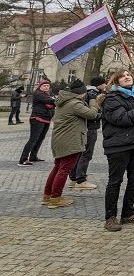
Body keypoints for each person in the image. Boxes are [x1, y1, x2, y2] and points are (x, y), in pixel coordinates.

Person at [101, 69, 134, 231]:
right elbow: (122, 119)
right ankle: (110, 217)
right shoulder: (111, 99)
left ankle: (127, 213)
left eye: (129, 75)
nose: (127, 77)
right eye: (122, 76)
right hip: (118, 146)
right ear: (116, 81)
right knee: (115, 181)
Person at [42, 79, 98, 208]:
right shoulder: (74, 104)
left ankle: (47, 196)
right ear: (81, 93)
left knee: (57, 168)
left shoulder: (64, 101)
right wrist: (93, 101)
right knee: (64, 170)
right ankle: (56, 198)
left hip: (60, 139)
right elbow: (92, 114)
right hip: (70, 141)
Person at [68, 76, 106, 190]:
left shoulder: (87, 92)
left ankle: (74, 178)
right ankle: (81, 179)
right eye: (104, 84)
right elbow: (91, 112)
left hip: (83, 127)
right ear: (99, 84)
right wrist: (101, 115)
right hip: (90, 127)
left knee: (80, 153)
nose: (105, 86)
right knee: (86, 154)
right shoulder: (93, 94)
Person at [18, 79, 55, 166]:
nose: (46, 87)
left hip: (46, 118)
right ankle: (23, 159)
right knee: (33, 139)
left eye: (48, 86)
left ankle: (33, 156)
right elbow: (51, 101)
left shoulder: (49, 94)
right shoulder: (38, 94)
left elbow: (53, 102)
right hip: (37, 118)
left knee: (40, 138)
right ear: (40, 86)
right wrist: (57, 100)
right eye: (44, 86)